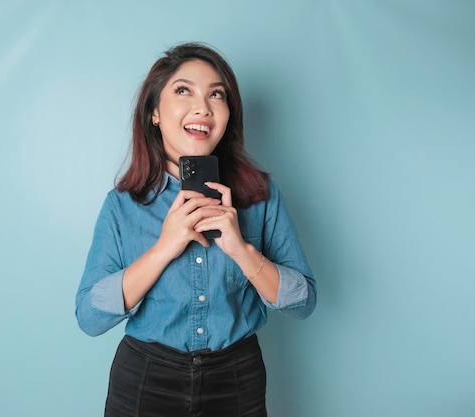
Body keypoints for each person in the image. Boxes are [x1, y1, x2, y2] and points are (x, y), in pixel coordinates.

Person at [75, 42, 316, 417]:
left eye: (216, 95)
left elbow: (303, 303)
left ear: (227, 114)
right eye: (183, 90)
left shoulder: (261, 196)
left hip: (237, 380)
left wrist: (241, 249)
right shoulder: (123, 205)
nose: (202, 106)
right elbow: (90, 318)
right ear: (154, 113)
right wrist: (163, 249)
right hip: (145, 381)